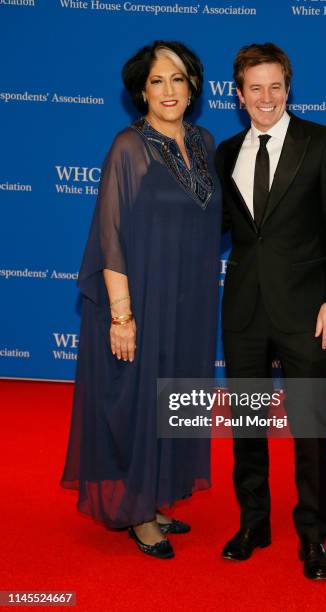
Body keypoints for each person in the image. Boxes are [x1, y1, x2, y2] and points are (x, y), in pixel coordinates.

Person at [61, 41, 221, 560]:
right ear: (141, 90)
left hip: (190, 301)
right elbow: (110, 235)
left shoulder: (205, 142)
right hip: (139, 297)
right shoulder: (128, 147)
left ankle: (155, 497)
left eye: (178, 79)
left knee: (173, 398)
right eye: (157, 80)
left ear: (193, 86)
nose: (169, 90)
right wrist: (122, 315)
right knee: (135, 402)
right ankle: (135, 510)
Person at [215, 43, 326, 578]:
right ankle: (254, 522)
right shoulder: (226, 153)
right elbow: (218, 227)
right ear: (238, 93)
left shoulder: (323, 143)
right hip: (244, 310)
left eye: (276, 86)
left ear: (288, 88)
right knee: (247, 423)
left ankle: (313, 537)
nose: (266, 98)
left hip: (305, 311)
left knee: (309, 428)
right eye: (255, 88)